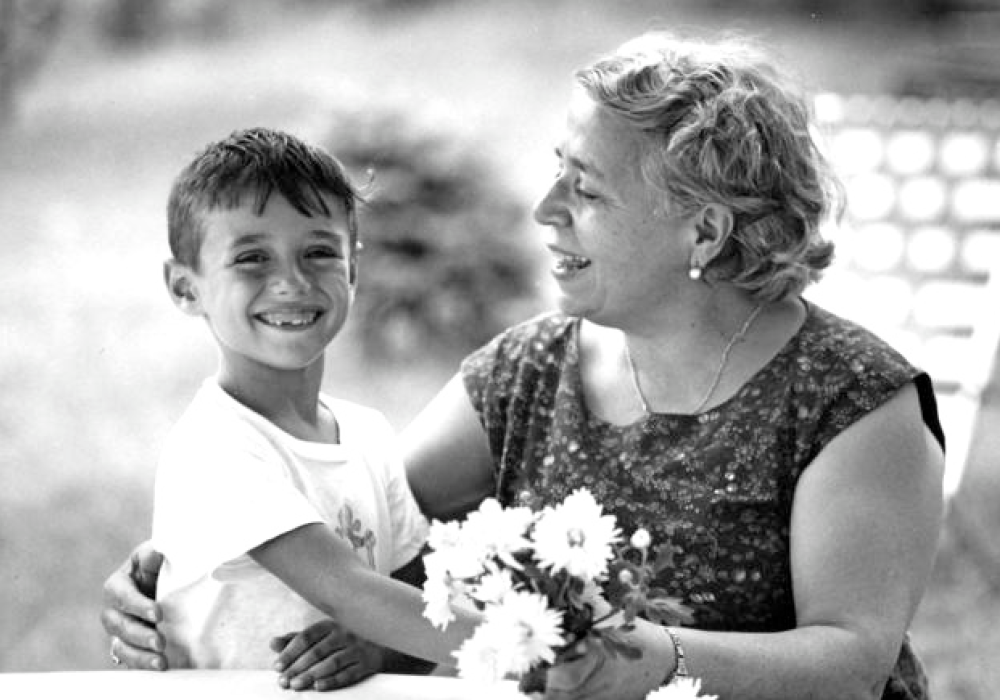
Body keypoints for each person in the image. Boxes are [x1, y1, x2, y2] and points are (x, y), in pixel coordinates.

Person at [102, 33, 945, 700]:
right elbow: (357, 528)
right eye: (557, 173)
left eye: (587, 190)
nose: (544, 210)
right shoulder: (528, 371)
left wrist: (650, 660)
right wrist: (174, 570)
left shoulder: (849, 400)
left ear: (704, 231)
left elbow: (851, 665)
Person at [132, 126, 480, 690]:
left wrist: (376, 652)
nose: (291, 282)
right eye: (252, 258)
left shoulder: (366, 434)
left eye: (319, 253)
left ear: (353, 270)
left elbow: (414, 613)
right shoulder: (213, 448)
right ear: (185, 288)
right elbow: (351, 594)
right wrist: (535, 647)